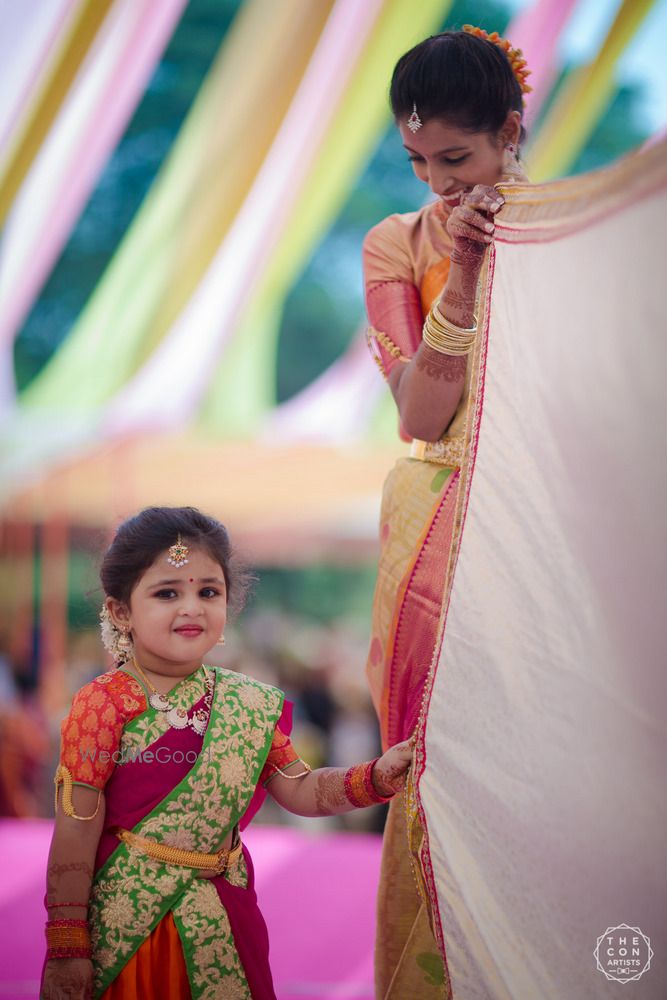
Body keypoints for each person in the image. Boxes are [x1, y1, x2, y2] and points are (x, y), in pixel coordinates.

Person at [41, 506, 413, 1000]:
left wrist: (376, 776)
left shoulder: (248, 703)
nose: (191, 607)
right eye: (167, 593)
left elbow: (301, 789)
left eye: (208, 592)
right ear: (121, 611)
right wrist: (67, 944)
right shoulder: (104, 704)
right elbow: (76, 827)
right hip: (131, 927)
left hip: (224, 926)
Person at [362, 26, 531, 998]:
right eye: (416, 159)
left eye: (455, 158)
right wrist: (461, 273)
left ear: (510, 132)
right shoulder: (399, 242)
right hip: (436, 520)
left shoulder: (561, 234)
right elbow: (418, 413)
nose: (433, 180)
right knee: (436, 762)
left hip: (543, 520)